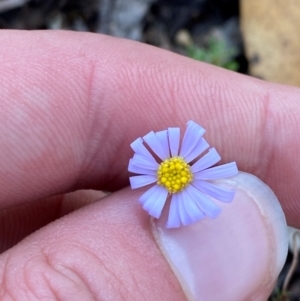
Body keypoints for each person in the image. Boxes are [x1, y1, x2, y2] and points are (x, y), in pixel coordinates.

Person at [0, 30, 296, 300]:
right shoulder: (160, 180)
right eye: (172, 171)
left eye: (177, 170)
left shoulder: (182, 168)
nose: (175, 172)